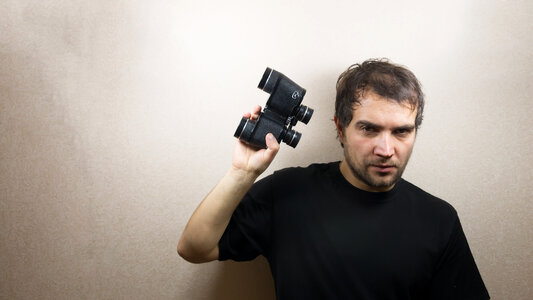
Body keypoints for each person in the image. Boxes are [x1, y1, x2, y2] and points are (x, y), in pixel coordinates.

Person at [178, 59, 490, 299]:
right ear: (340, 129)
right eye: (369, 129)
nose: (386, 149)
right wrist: (242, 173)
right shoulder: (286, 192)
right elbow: (194, 248)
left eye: (401, 131)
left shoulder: (438, 220)